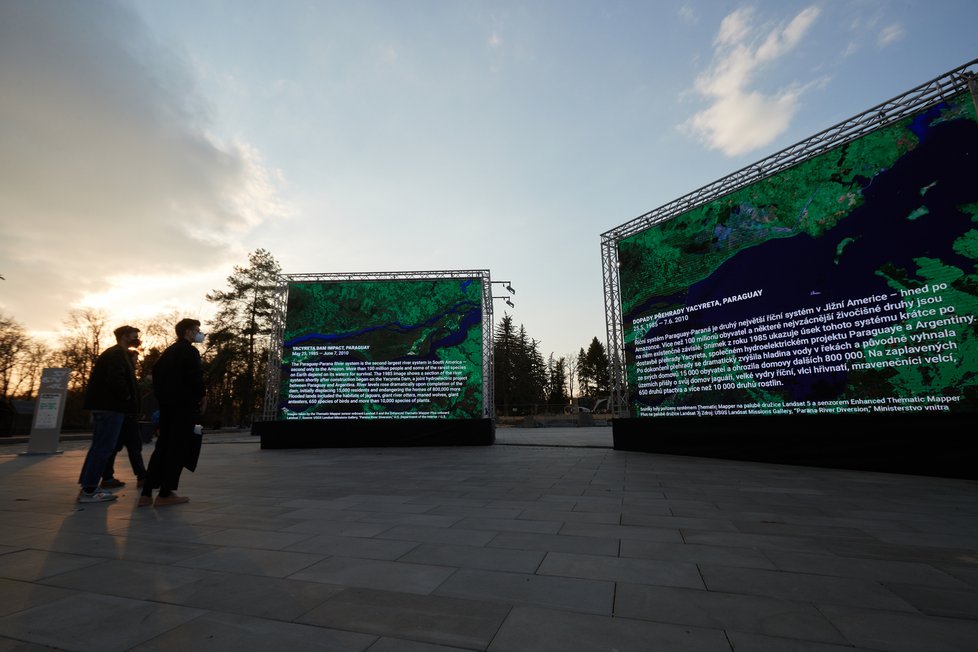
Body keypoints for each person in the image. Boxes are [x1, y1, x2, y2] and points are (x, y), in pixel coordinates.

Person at [139, 318, 206, 507]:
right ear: (188, 332)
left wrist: (164, 401)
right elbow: (195, 376)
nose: (199, 333)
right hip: (184, 407)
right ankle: (165, 493)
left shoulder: (168, 353)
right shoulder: (190, 351)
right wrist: (202, 396)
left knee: (162, 448)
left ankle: (146, 494)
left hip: (167, 408)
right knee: (178, 449)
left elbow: (157, 378)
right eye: (197, 330)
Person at [77, 325, 141, 503]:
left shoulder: (116, 353)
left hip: (107, 407)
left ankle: (88, 486)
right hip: (111, 408)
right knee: (104, 447)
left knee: (99, 447)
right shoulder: (117, 354)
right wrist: (127, 397)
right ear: (124, 336)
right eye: (134, 335)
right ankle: (89, 490)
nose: (137, 338)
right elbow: (116, 379)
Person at [100, 349, 147, 488]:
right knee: (134, 446)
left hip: (123, 414)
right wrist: (129, 403)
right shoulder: (125, 373)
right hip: (125, 415)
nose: (137, 362)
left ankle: (107, 477)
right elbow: (125, 390)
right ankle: (142, 476)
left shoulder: (129, 373)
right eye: (135, 359)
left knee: (114, 447)